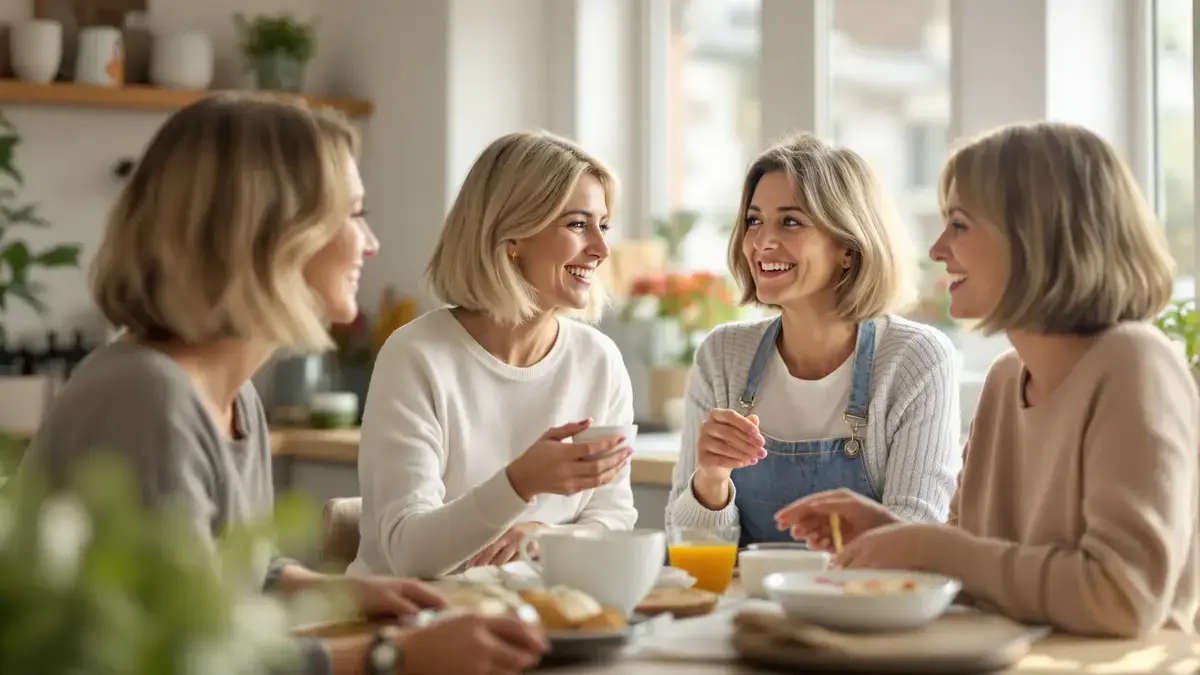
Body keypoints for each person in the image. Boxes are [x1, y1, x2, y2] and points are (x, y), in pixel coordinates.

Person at [15, 94, 547, 675]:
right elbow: (183, 659)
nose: (370, 243)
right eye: (354, 213)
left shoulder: (231, 395)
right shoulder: (148, 400)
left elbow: (222, 571)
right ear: (270, 233)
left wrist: (334, 591)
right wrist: (394, 655)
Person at [777, 122, 1200, 638]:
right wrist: (897, 538)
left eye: (959, 225)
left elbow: (1123, 598)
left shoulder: (1134, 365)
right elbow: (980, 561)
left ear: (1036, 234)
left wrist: (931, 549)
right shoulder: (1006, 379)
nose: (937, 248)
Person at [347, 131, 638, 580]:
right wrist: (518, 484)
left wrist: (548, 538)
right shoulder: (417, 357)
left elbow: (614, 517)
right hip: (413, 622)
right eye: (578, 224)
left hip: (536, 614)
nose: (601, 248)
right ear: (513, 235)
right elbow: (409, 555)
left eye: (604, 225)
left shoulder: (599, 361)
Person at [665, 133, 962, 547]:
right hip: (748, 607)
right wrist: (710, 481)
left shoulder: (914, 358)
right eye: (754, 220)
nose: (762, 242)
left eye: (790, 221)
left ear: (847, 245)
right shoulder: (722, 355)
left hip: (860, 605)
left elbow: (916, 535)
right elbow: (690, 550)